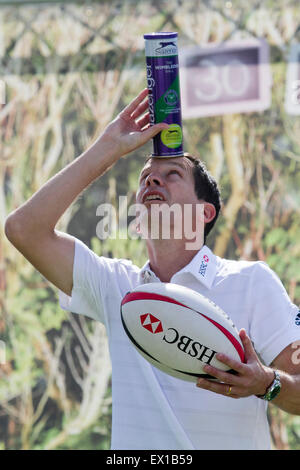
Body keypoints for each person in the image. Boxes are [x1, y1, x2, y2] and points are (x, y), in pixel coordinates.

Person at [5, 89, 300, 450]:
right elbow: (23, 229)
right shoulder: (117, 286)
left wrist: (266, 383)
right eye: (145, 176)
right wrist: (108, 148)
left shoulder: (253, 282)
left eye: (172, 174)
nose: (151, 181)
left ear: (205, 212)